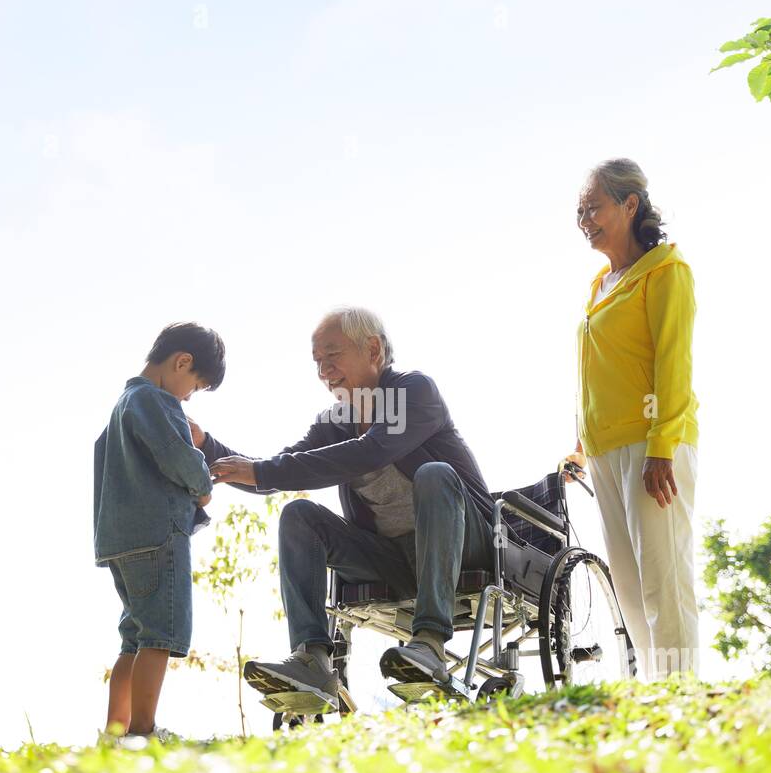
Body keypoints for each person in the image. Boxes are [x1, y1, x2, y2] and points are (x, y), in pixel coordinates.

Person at [195, 307, 494, 712]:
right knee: (298, 516)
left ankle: (431, 645)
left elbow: (368, 453)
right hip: (390, 561)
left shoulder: (414, 391)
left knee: (434, 474)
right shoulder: (337, 420)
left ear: (373, 349)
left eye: (332, 356)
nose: (324, 371)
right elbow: (280, 467)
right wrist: (208, 445)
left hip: (465, 545)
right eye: (318, 362)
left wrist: (261, 471)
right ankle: (313, 660)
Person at [567, 158, 700, 681]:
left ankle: (681, 688)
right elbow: (599, 369)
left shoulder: (666, 269)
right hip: (604, 449)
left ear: (630, 204)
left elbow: (674, 361)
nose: (584, 219)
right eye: (580, 210)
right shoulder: (601, 283)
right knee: (627, 582)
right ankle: (656, 686)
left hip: (653, 446)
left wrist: (662, 444)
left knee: (662, 578)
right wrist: (580, 443)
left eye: (594, 207)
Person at [94, 322, 225, 739]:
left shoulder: (122, 406)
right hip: (158, 533)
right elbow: (179, 458)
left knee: (133, 636)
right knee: (159, 635)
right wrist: (203, 486)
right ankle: (143, 731)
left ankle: (116, 733)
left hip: (120, 539)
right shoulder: (156, 401)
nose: (188, 396)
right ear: (181, 362)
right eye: (195, 386)